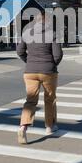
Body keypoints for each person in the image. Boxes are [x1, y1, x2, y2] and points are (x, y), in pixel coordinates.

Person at [16, 12, 64, 145]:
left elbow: (19, 51)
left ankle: (23, 127)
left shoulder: (27, 32)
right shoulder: (52, 33)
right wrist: (52, 65)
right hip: (48, 71)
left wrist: (28, 62)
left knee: (30, 101)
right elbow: (58, 54)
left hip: (30, 72)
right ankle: (49, 126)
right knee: (50, 98)